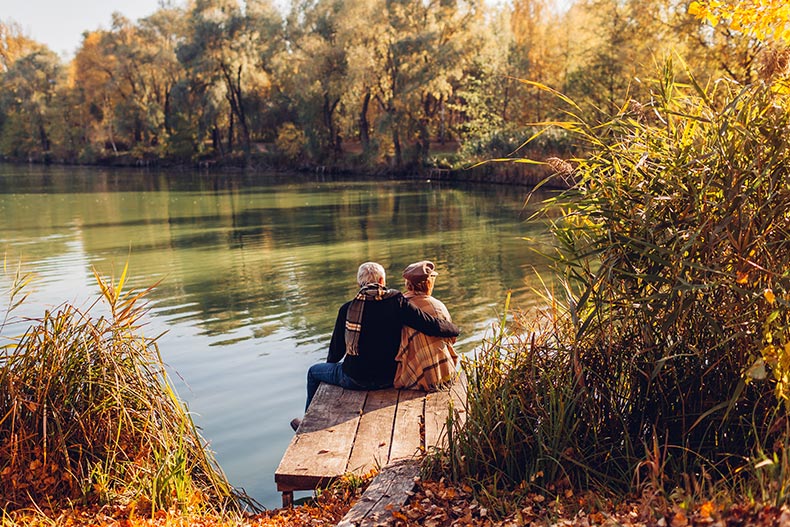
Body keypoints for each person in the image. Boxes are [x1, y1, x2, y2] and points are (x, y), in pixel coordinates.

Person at [293, 262, 460, 429]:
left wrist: (334, 369)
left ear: (359, 284)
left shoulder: (347, 309)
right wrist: (455, 330)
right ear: (382, 281)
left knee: (313, 373)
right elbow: (431, 325)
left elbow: (336, 353)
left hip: (355, 379)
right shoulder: (398, 302)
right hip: (389, 377)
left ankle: (306, 424)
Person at [394, 260, 458, 391]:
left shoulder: (398, 306)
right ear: (429, 283)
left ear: (407, 284)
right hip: (444, 373)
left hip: (412, 377)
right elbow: (452, 339)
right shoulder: (438, 307)